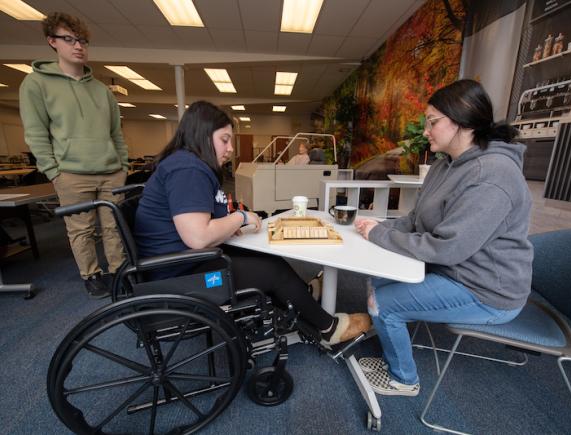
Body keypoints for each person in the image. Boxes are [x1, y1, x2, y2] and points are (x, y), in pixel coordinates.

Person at [133, 101, 370, 345]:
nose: (230, 148)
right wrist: (241, 217)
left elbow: (198, 226)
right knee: (272, 270)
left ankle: (301, 298)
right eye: (224, 140)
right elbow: (198, 237)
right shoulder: (188, 168)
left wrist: (229, 226)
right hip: (178, 276)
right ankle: (329, 329)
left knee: (266, 260)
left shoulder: (186, 164)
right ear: (202, 136)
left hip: (179, 263)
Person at [354, 79, 533, 396]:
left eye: (433, 122)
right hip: (456, 271)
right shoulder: (443, 166)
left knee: (383, 303)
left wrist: (380, 234)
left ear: (463, 122)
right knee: (377, 279)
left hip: (487, 289)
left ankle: (403, 379)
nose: (426, 131)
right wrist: (380, 227)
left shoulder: (493, 175)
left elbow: (446, 248)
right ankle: (391, 343)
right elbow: (415, 219)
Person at [19, 12, 128, 299]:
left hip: (110, 170)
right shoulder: (36, 84)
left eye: (82, 40)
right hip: (71, 172)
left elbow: (116, 134)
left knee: (113, 225)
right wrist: (53, 171)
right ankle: (91, 275)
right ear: (52, 42)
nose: (78, 46)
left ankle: (118, 271)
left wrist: (123, 167)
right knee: (81, 229)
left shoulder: (102, 90)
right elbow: (36, 132)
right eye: (69, 39)